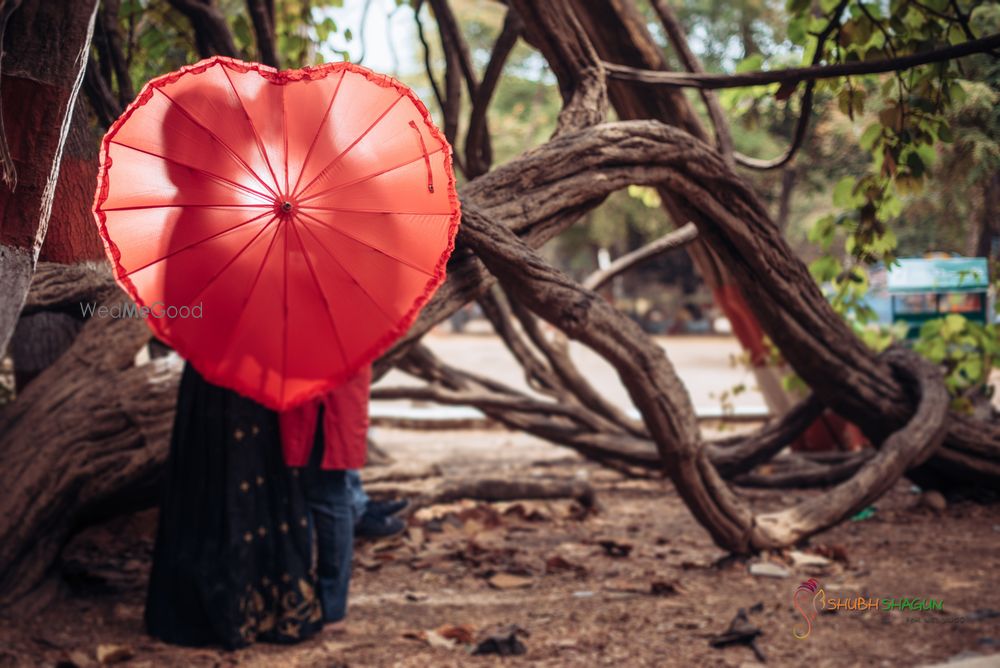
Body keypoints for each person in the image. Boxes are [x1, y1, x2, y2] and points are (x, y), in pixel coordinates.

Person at [145, 362, 323, 649]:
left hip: (250, 378)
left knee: (256, 475)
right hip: (228, 380)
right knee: (225, 477)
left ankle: (253, 609)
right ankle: (235, 611)